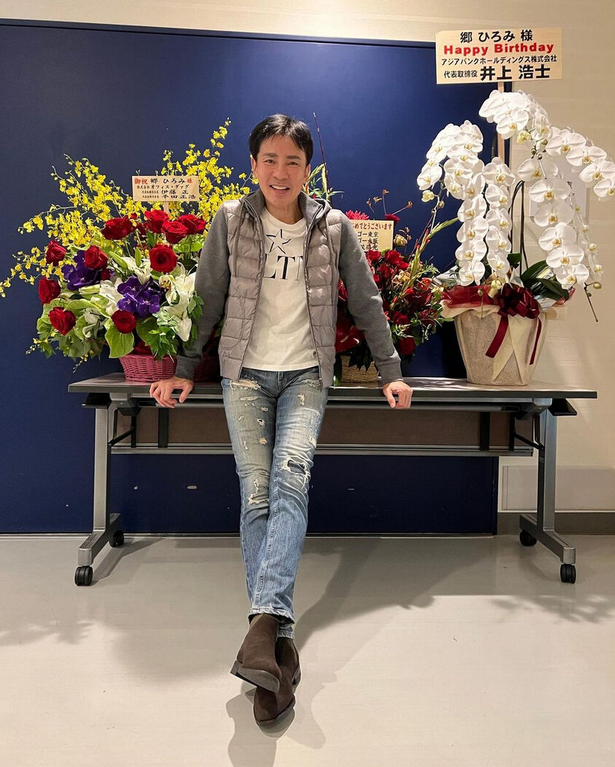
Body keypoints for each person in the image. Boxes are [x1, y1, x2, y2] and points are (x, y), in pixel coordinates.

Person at [150, 114, 413, 724]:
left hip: (305, 376)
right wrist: (186, 368)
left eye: (292, 161)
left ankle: (260, 629)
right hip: (243, 373)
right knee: (257, 494)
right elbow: (208, 298)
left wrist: (390, 370)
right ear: (253, 165)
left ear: (307, 169)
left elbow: (366, 300)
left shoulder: (334, 227)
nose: (280, 171)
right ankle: (275, 642)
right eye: (269, 159)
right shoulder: (229, 220)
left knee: (290, 484)